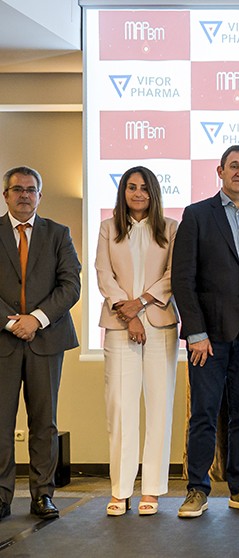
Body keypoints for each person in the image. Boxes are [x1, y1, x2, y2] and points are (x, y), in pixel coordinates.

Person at [171, 145, 239, 518]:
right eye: (234, 165)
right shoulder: (197, 215)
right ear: (220, 171)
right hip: (209, 338)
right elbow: (183, 279)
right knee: (203, 413)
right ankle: (197, 490)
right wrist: (195, 332)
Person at [95, 166, 179, 516]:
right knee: (120, 407)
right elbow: (103, 273)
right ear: (123, 192)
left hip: (160, 323)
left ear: (153, 192)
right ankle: (121, 490)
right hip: (119, 324)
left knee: (159, 407)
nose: (138, 193)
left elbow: (174, 274)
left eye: (144, 187)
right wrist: (127, 313)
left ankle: (153, 490)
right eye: (131, 187)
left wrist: (141, 303)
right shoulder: (108, 227)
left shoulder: (171, 228)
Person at [0, 166, 81, 521]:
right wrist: (11, 322)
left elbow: (71, 285)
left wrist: (36, 319)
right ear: (5, 195)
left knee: (44, 422)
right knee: (0, 422)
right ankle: (1, 497)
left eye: (31, 190)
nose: (24, 195)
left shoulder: (58, 234)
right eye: (17, 189)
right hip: (2, 340)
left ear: (39, 196)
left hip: (46, 339)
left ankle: (43, 495)